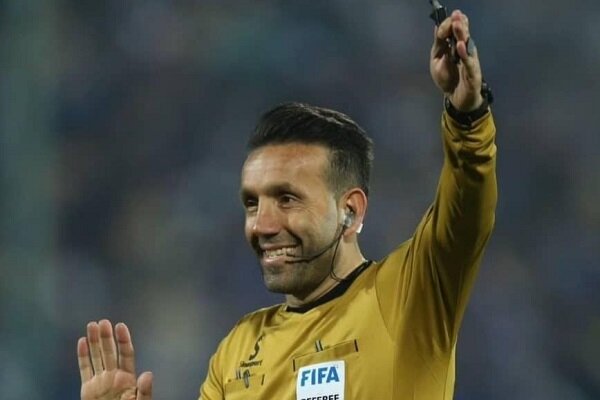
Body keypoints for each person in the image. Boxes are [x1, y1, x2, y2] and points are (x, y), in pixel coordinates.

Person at [77, 9, 496, 400]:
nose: (262, 225)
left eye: (287, 199)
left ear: (350, 210)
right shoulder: (237, 350)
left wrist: (467, 116)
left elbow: (466, 207)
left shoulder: (409, 296)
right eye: (252, 203)